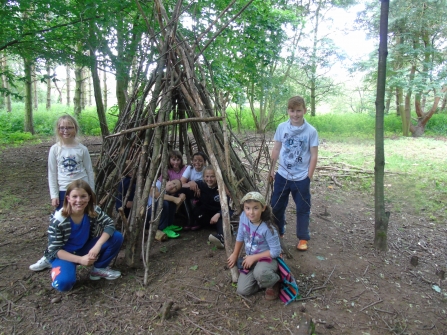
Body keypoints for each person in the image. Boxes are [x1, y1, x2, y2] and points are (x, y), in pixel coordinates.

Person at [30, 115, 95, 271]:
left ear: (75, 129)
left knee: (84, 220)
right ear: (58, 130)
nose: (65, 130)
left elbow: (89, 171)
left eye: (69, 127)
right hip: (63, 192)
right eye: (62, 128)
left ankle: (80, 251)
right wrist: (54, 195)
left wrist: (91, 193)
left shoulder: (82, 149)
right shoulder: (55, 149)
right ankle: (50, 254)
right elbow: (52, 173)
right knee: (59, 222)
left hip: (82, 191)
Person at [45, 180, 123, 292]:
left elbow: (109, 225)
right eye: (74, 196)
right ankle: (61, 270)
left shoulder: (92, 210)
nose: (79, 200)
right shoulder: (59, 219)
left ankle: (99, 269)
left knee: (116, 237)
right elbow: (54, 250)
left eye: (83, 196)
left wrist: (98, 245)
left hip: (84, 248)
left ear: (89, 198)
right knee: (63, 285)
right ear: (68, 198)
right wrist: (80, 260)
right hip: (64, 255)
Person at [270, 95, 319, 251]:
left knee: (303, 208)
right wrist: (272, 169)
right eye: (292, 111)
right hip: (282, 175)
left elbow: (314, 155)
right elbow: (276, 148)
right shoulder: (282, 128)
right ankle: (279, 232)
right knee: (276, 206)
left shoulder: (311, 131)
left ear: (304, 110)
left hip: (301, 177)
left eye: (298, 111)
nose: (295, 115)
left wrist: (308, 177)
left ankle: (303, 238)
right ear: (288, 111)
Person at [227, 192, 281, 300]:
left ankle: (274, 282)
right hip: (251, 258)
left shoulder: (268, 228)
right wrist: (235, 254)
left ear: (263, 208)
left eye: (255, 208)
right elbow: (241, 235)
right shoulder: (244, 217)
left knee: (260, 272)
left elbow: (276, 251)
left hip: (267, 259)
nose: (251, 212)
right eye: (247, 208)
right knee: (242, 290)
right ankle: (262, 281)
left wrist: (253, 257)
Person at [191, 165, 232, 247]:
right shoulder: (201, 185)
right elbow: (187, 184)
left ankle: (221, 237)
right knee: (198, 213)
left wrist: (218, 214)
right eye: (207, 176)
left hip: (218, 213)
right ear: (203, 177)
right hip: (206, 215)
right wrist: (192, 183)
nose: (209, 179)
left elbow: (227, 206)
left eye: (212, 176)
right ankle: (227, 227)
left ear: (217, 177)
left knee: (222, 218)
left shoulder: (221, 187)